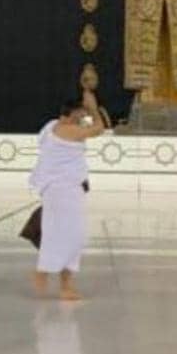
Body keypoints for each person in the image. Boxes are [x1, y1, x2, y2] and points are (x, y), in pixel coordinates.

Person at [30, 97, 108, 302]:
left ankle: (62, 282)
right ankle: (46, 273)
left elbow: (89, 125)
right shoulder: (68, 131)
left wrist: (88, 100)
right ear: (72, 115)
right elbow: (99, 128)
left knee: (66, 235)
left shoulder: (52, 126)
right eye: (80, 115)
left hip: (63, 190)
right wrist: (93, 108)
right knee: (68, 235)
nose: (84, 118)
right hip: (63, 190)